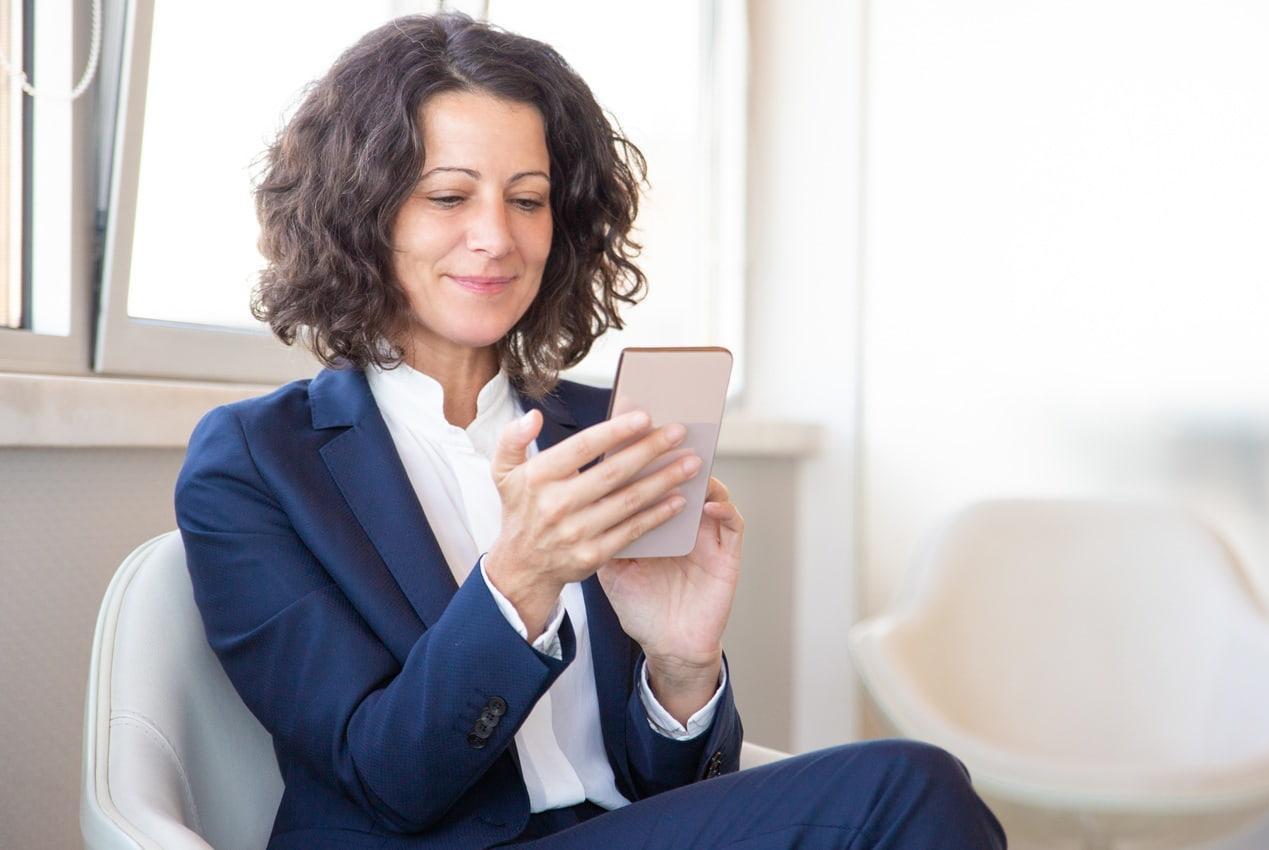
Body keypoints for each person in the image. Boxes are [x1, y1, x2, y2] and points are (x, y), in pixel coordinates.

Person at [174, 12, 1006, 849]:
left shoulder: (608, 429)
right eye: (449, 195)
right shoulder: (256, 463)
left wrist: (681, 666)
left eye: (527, 200)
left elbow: (674, 795)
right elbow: (385, 781)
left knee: (914, 790)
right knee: (909, 786)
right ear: (363, 213)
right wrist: (521, 580)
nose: (497, 237)